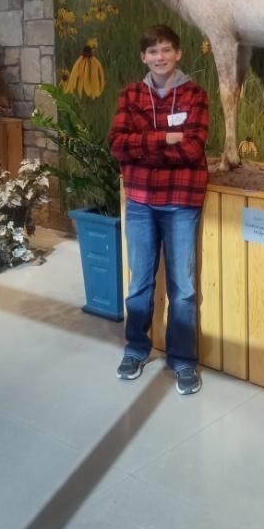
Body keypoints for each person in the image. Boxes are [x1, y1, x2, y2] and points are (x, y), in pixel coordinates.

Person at [108, 24, 209, 395]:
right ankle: (135, 349)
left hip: (181, 201)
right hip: (139, 202)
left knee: (182, 287)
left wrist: (144, 146)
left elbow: (193, 148)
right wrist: (165, 138)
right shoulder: (131, 94)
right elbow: (118, 145)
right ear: (143, 58)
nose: (160, 57)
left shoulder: (195, 95)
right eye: (152, 52)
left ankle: (183, 361)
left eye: (166, 50)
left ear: (178, 54)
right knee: (140, 283)